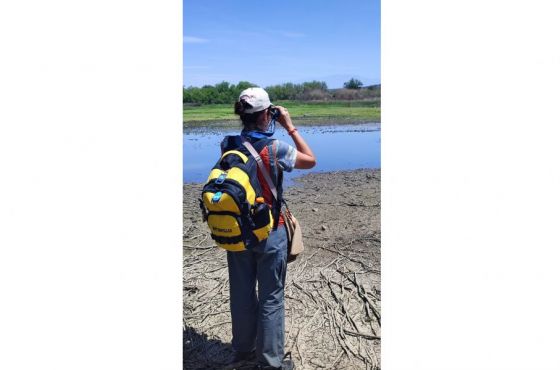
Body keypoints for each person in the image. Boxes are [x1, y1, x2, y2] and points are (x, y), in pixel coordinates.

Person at [223, 87, 316, 370]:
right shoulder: (276, 148)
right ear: (267, 114)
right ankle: (270, 363)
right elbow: (310, 160)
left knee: (241, 294)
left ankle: (243, 353)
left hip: (238, 233)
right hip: (269, 232)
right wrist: (289, 125)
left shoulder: (228, 143)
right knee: (271, 298)